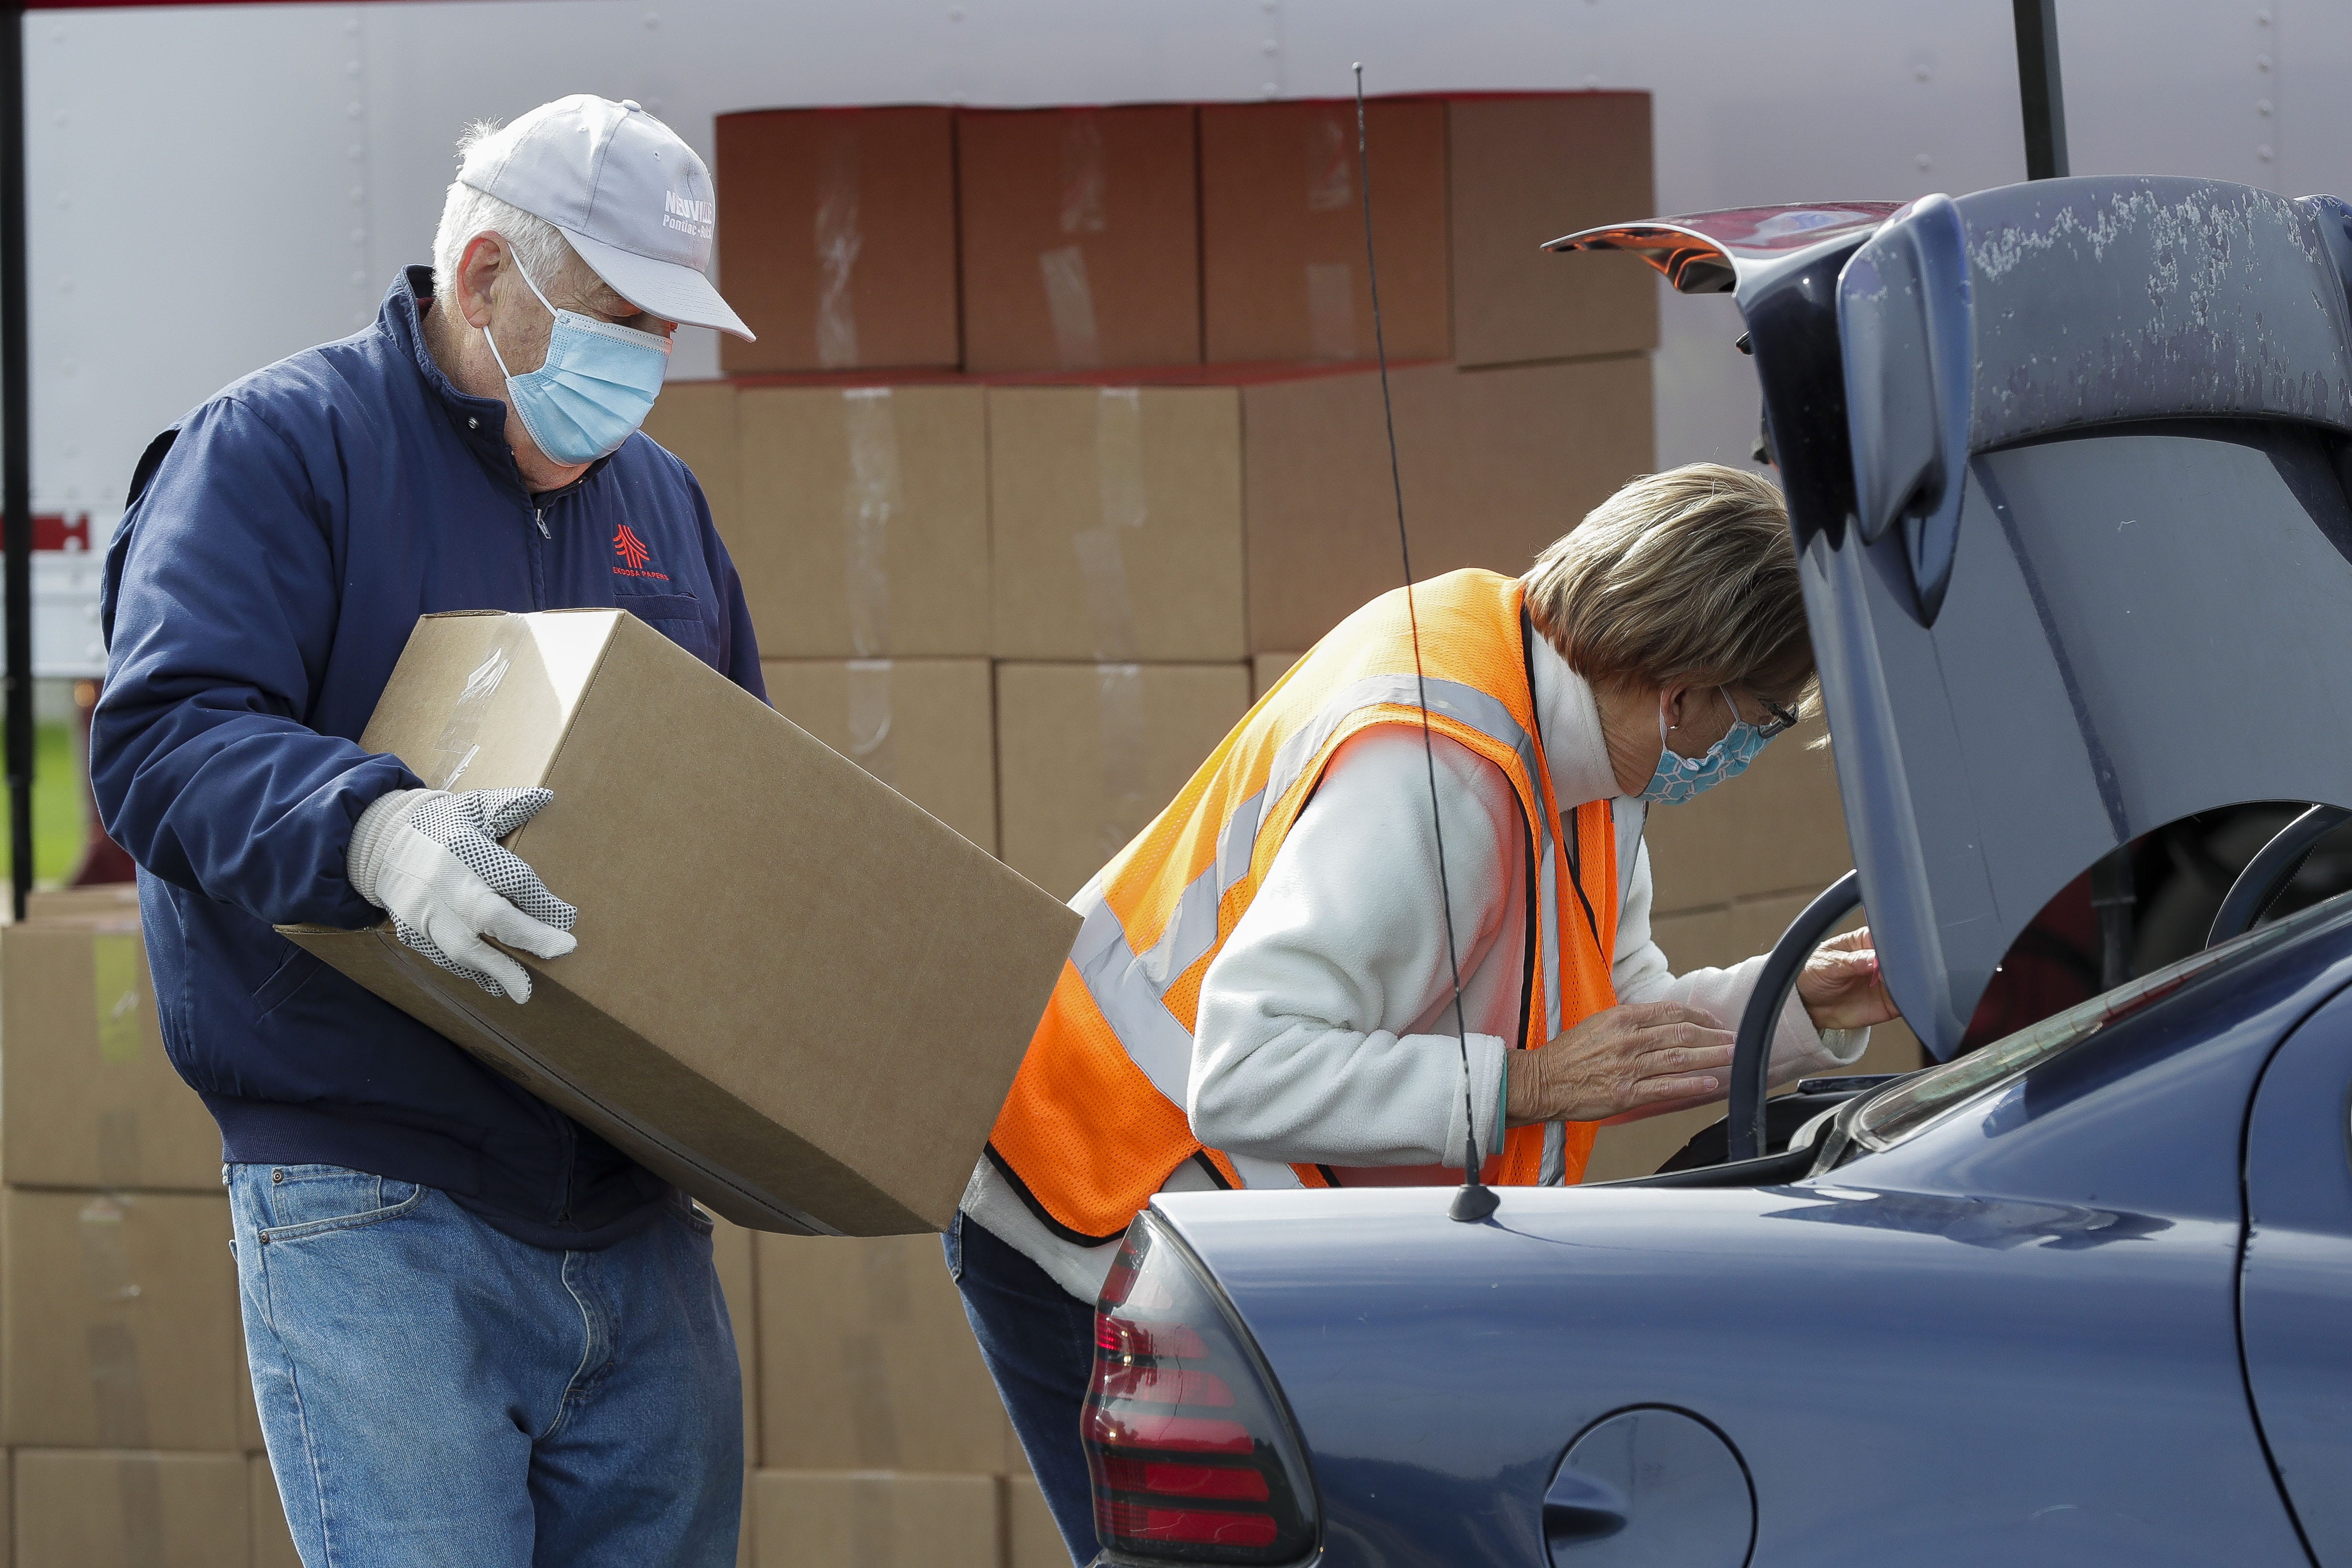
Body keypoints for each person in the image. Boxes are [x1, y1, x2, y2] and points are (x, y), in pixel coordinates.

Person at [950, 462, 1902, 1562]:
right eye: (1761, 717)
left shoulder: (1577, 734)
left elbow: (1621, 1017)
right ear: (1681, 691)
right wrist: (1524, 1085)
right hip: (1087, 1194)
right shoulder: (1439, 774)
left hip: (1213, 1218)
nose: (1744, 750)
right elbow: (1245, 1070)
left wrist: (1797, 999)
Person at [90, 97, 760, 1568]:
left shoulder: (663, 504)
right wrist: (374, 835)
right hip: (376, 1195)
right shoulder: (279, 449)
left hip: (633, 1206)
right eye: (617, 318)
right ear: (481, 280)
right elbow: (158, 736)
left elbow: (741, 813)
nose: (643, 367)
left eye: (665, 331)